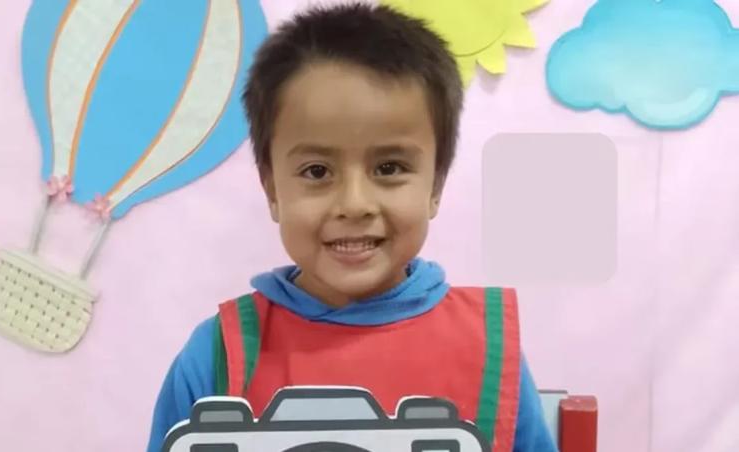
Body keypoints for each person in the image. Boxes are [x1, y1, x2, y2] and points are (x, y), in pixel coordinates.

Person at [146, 4, 556, 452]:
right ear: (272, 190)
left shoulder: (488, 350)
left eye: (389, 167)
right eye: (317, 171)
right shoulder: (217, 357)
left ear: (435, 185)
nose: (354, 204)